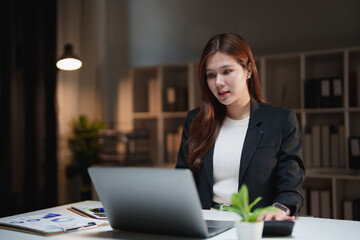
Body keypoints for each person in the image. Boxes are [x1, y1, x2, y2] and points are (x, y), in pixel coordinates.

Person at [175, 33, 304, 221]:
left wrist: (279, 209)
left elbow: (291, 188)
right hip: (205, 224)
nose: (218, 82)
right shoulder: (196, 120)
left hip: (253, 224)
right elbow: (181, 181)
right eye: (211, 75)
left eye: (226, 71)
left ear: (248, 70)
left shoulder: (281, 120)